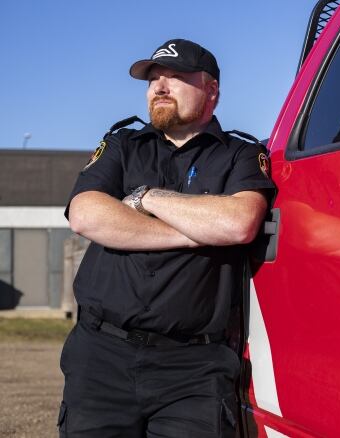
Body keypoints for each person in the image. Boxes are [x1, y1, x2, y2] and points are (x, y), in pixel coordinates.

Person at [58, 38, 273, 437]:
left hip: (194, 368)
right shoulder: (123, 146)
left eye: (175, 77)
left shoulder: (240, 155)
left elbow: (239, 224)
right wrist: (198, 231)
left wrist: (146, 197)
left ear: (211, 90)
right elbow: (86, 215)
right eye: (153, 78)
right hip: (101, 357)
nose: (159, 86)